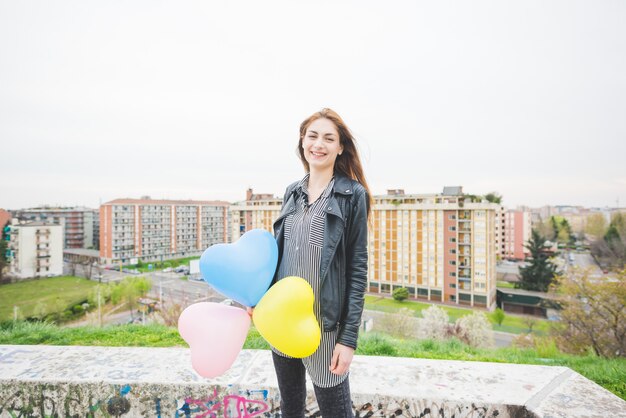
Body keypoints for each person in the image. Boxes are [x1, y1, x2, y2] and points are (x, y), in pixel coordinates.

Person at [260, 108, 371, 417]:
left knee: (336, 412)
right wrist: (260, 298)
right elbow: (280, 255)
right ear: (302, 142)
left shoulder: (352, 196)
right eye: (312, 136)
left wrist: (348, 340)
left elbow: (357, 269)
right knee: (291, 409)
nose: (318, 144)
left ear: (340, 147)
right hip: (282, 323)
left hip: (324, 330)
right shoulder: (291, 192)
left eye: (328, 138)